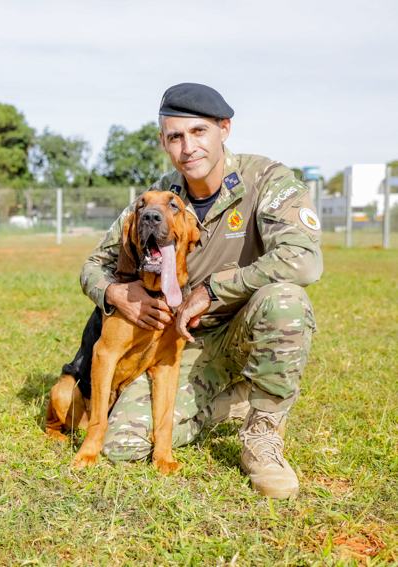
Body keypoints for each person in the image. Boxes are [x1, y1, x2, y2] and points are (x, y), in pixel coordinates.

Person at [80, 83, 323, 498]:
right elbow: (94, 265)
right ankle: (228, 401)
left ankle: (263, 435)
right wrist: (116, 293)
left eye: (199, 131)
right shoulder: (157, 199)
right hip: (185, 345)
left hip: (243, 331)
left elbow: (303, 259)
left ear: (224, 128)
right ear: (164, 143)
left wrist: (212, 290)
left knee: (284, 301)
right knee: (123, 445)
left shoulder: (266, 180)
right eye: (175, 136)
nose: (188, 147)